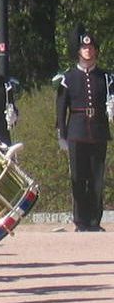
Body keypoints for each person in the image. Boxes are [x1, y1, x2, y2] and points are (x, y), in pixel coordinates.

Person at [55, 26, 110, 232]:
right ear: (78, 51)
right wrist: (62, 133)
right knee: (78, 176)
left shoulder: (105, 77)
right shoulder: (68, 78)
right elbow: (61, 107)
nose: (88, 51)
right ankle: (80, 220)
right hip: (77, 130)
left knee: (97, 177)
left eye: (91, 47)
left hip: (98, 130)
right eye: (84, 47)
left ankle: (94, 220)